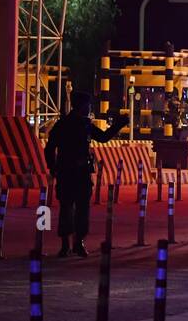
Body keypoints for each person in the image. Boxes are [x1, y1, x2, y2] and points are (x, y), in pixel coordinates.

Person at [44, 92, 128, 257]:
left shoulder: (73, 124)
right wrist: (53, 168)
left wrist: (53, 168)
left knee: (73, 208)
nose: (89, 108)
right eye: (88, 105)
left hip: (73, 172)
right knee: (75, 208)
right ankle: (72, 243)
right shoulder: (73, 125)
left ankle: (71, 244)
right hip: (73, 172)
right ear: (81, 106)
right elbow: (50, 147)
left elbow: (49, 148)